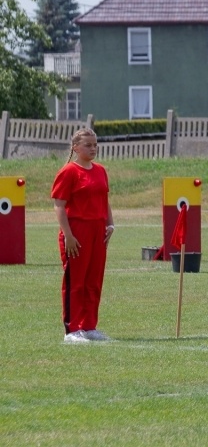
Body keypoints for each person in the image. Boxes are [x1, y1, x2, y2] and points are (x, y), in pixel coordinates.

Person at [51, 128, 114, 343]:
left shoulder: (101, 171)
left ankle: (89, 326)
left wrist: (110, 224)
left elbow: (104, 199)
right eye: (88, 145)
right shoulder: (69, 172)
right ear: (76, 147)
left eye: (95, 144)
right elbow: (59, 205)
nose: (93, 148)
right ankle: (72, 329)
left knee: (93, 280)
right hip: (77, 230)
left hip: (98, 231)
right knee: (75, 281)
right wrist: (68, 235)